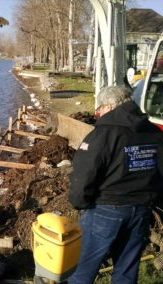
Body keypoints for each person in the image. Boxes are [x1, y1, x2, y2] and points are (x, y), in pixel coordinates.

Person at [68, 85, 163, 284]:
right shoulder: (154, 133)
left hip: (105, 209)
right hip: (141, 210)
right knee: (126, 270)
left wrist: (79, 202)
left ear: (110, 107)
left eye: (100, 108)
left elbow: (84, 174)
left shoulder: (103, 134)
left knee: (83, 269)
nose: (98, 113)